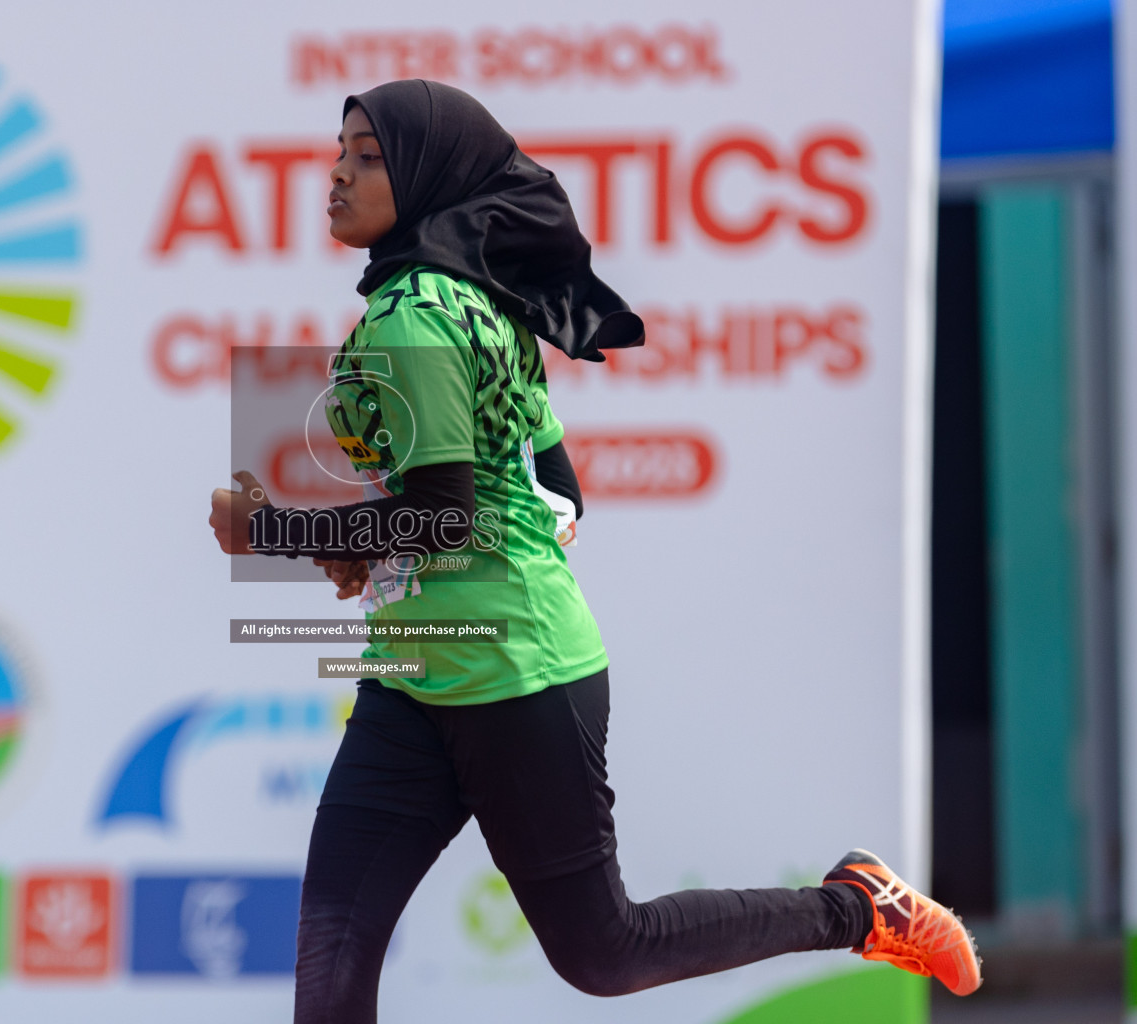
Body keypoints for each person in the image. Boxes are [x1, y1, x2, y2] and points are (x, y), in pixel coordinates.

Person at [208, 79, 981, 1023]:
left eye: (367, 158)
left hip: (514, 676)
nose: (336, 175)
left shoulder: (415, 318)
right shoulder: (469, 297)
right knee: (331, 964)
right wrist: (375, 551)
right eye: (338, 152)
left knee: (604, 952)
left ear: (423, 176)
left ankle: (858, 908)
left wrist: (279, 531)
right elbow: (554, 491)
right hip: (414, 673)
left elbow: (447, 515)